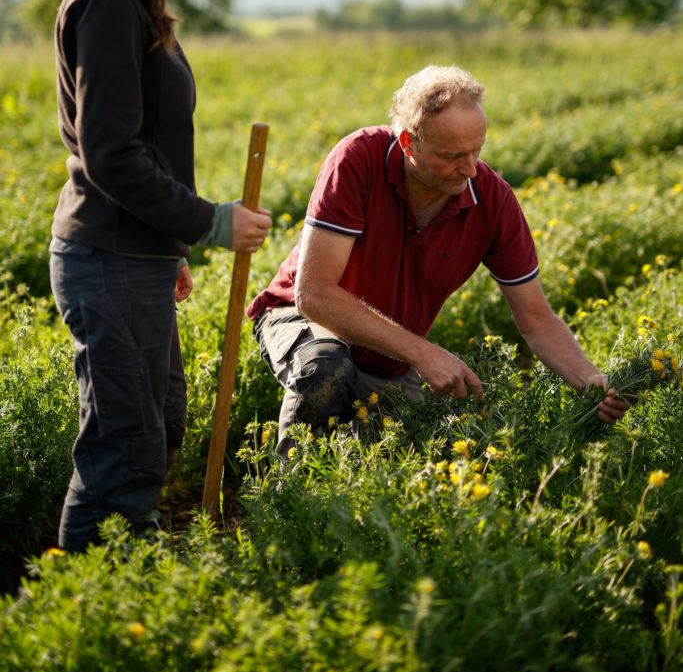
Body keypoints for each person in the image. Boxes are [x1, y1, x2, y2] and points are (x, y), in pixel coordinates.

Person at [50, 0, 271, 553]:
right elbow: (111, 157)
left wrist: (169, 242)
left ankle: (118, 596)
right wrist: (209, 222)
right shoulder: (111, 0)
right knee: (124, 452)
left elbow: (138, 145)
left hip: (134, 257)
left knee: (158, 429)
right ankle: (81, 623)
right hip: (106, 261)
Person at [247, 65, 628, 451]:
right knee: (324, 368)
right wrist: (424, 353)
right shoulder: (359, 159)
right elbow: (314, 295)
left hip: (388, 356)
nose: (469, 168)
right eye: (452, 156)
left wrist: (590, 380)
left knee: (427, 455)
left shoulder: (492, 200)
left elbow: (535, 318)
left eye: (476, 150)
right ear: (410, 143)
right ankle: (290, 499)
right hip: (303, 318)